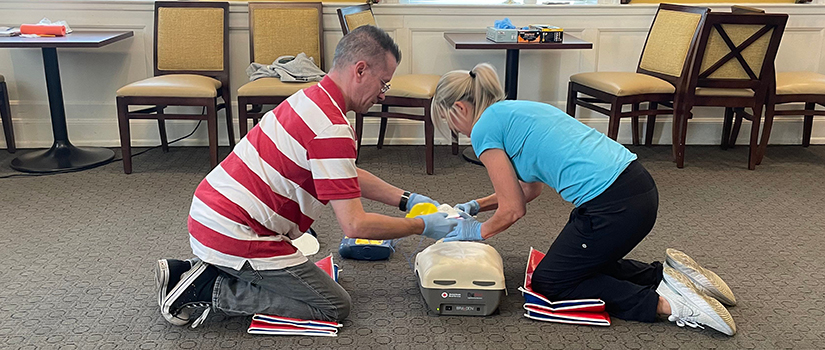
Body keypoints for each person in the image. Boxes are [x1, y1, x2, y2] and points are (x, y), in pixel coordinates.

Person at [155, 25, 460, 328]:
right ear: (360, 70)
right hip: (237, 232)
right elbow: (355, 225)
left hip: (211, 214)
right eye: (383, 83)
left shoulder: (312, 98)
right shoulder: (332, 128)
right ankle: (211, 291)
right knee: (333, 304)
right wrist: (421, 226)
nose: (382, 94)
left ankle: (189, 269)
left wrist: (407, 200)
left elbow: (343, 172)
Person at [431, 63, 737, 336]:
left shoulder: (484, 129)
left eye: (449, 121)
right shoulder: (513, 110)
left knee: (551, 283)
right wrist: (476, 206)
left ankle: (673, 305)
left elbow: (513, 210)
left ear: (460, 107)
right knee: (577, 266)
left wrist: (475, 233)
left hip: (612, 208)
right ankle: (669, 276)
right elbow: (527, 190)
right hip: (638, 189)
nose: (455, 130)